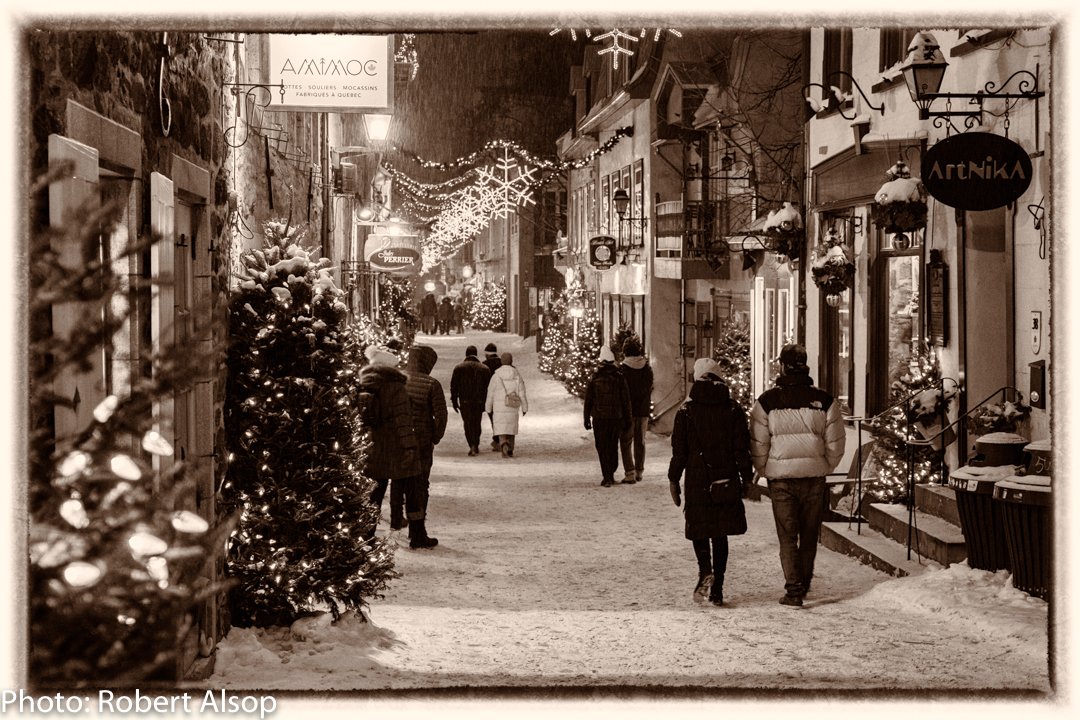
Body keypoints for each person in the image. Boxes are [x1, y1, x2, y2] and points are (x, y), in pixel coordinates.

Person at [750, 343, 845, 606]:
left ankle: (794, 590)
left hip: (780, 479)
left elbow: (758, 444)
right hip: (814, 478)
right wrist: (825, 465)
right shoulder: (825, 401)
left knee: (787, 535)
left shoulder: (767, 401)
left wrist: (763, 468)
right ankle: (803, 583)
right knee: (809, 533)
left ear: (781, 365)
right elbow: (836, 443)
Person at [667, 358, 754, 608]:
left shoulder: (686, 411)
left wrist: (674, 478)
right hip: (725, 480)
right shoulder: (733, 409)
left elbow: (679, 452)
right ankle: (718, 587)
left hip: (697, 479)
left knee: (700, 529)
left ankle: (705, 569)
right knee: (720, 532)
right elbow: (741, 449)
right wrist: (746, 478)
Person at [356, 345, 438, 549]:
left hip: (373, 448)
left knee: (374, 494)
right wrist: (411, 448)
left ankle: (367, 534)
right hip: (398, 448)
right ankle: (418, 535)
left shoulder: (364, 386)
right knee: (413, 492)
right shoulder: (396, 387)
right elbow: (404, 422)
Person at [403, 345, 448, 547]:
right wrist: (435, 436)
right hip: (421, 442)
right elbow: (441, 415)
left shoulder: (399, 381)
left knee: (405, 484)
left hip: (401, 441)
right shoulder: (432, 384)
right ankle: (418, 531)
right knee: (421, 485)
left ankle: (408, 525)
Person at [583, 346, 632, 487]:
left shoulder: (595, 378)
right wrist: (627, 419)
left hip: (599, 418)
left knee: (602, 447)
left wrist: (586, 418)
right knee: (612, 446)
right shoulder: (619, 377)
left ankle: (607, 475)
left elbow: (589, 400)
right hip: (616, 418)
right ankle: (611, 471)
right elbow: (625, 400)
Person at [618, 338, 653, 484]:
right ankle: (639, 471)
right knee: (640, 441)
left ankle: (630, 472)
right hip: (643, 410)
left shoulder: (623, 369)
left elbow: (621, 391)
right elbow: (649, 386)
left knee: (626, 441)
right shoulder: (647, 368)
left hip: (628, 411)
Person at [450, 345, 492, 456]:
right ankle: (475, 444)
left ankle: (471, 445)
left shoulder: (459, 368)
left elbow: (454, 387)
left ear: (466, 354)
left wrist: (454, 401)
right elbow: (488, 387)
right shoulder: (484, 369)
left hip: (465, 401)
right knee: (477, 423)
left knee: (467, 424)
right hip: (479, 401)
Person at [485, 352, 527, 457]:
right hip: (512, 406)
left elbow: (490, 394)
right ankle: (510, 448)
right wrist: (524, 407)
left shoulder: (496, 376)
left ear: (501, 362)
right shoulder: (517, 375)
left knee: (501, 428)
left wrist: (488, 408)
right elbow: (522, 393)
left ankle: (503, 442)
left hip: (499, 407)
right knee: (511, 429)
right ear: (511, 361)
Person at [482, 343, 503, 451]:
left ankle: (498, 439)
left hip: (490, 396)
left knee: (493, 418)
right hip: (502, 395)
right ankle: (499, 439)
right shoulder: (502, 363)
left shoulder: (484, 365)